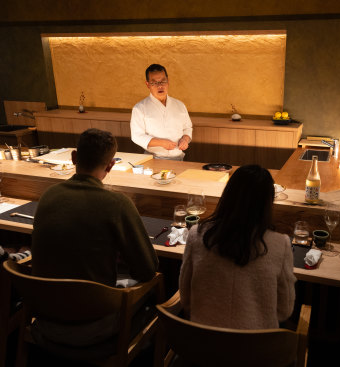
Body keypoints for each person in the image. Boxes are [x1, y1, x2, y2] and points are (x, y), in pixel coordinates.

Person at [32, 128, 159, 286]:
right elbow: (147, 269)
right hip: (94, 306)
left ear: (73, 157)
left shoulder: (49, 194)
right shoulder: (117, 203)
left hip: (41, 299)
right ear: (110, 166)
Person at [179, 165, 296, 330]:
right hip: (257, 351)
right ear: (268, 202)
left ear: (227, 195)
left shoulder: (196, 235)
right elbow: (285, 310)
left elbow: (185, 300)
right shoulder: (281, 244)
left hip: (202, 348)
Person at [130, 63, 192, 160]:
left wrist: (185, 139)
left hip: (178, 158)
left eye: (163, 81)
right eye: (154, 83)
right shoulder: (139, 108)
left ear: (168, 81)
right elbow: (136, 136)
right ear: (147, 84)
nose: (160, 86)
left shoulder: (180, 105)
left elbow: (187, 128)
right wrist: (161, 143)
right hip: (153, 159)